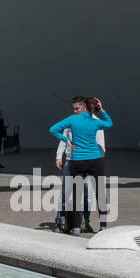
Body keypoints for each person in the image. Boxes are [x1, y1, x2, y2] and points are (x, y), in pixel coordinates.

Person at [49, 95, 112, 234]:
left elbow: (53, 129)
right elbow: (109, 123)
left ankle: (77, 227)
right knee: (100, 193)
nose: (75, 110)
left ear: (83, 106)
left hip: (77, 161)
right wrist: (102, 110)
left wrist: (65, 140)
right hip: (95, 160)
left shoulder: (72, 120)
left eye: (77, 108)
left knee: (77, 194)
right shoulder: (96, 121)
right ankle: (103, 226)